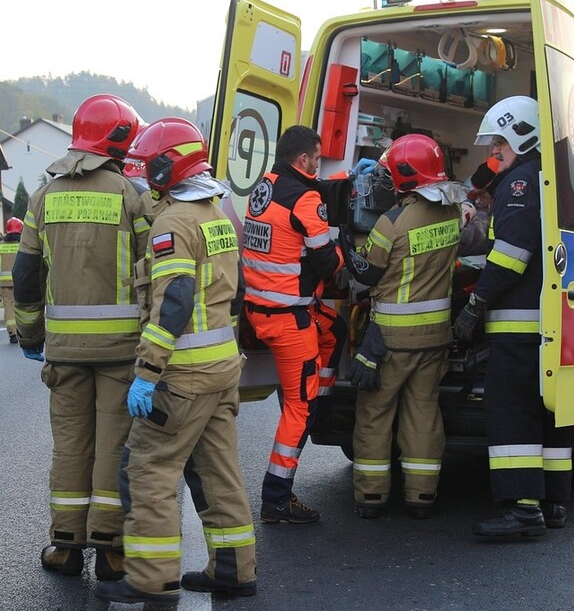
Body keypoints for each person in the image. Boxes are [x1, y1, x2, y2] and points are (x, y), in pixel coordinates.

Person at [95, 118, 256, 605]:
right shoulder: (217, 213)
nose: (145, 178)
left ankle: (152, 578)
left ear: (168, 166)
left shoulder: (172, 222)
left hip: (182, 374)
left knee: (147, 468)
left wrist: (147, 372)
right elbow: (238, 288)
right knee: (218, 470)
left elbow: (176, 302)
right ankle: (233, 568)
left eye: (149, 168)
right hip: (223, 367)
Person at [11, 94, 150, 579]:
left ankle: (67, 546)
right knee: (114, 446)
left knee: (70, 445)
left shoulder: (45, 197)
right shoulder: (132, 196)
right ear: (120, 140)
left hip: (65, 350)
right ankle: (111, 552)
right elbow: (154, 274)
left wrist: (29, 334)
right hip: (121, 350)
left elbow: (26, 276)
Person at [453, 95, 573, 537]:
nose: (492, 153)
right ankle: (554, 501)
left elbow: (512, 255)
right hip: (546, 321)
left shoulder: (520, 184)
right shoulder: (543, 175)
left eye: (499, 144)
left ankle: (523, 509)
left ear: (522, 137)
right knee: (548, 413)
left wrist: (475, 304)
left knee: (511, 411)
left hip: (518, 326)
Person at [341, 134, 463, 519]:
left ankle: (372, 496)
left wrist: (347, 243)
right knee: (423, 412)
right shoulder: (452, 214)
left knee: (375, 414)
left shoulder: (390, 224)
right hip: (435, 339)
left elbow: (365, 274)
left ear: (405, 177)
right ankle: (421, 496)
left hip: (390, 341)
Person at [242, 124, 343, 524]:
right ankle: (277, 498)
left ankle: (321, 401)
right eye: (317, 159)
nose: (318, 166)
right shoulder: (305, 198)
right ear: (302, 160)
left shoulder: (261, 188)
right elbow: (327, 262)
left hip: (262, 308)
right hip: (288, 318)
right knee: (297, 410)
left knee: (334, 329)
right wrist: (342, 254)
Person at [0, 217, 23, 343]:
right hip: (19, 281)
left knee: (8, 306)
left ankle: (12, 333)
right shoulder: (22, 245)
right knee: (20, 306)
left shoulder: (1, 246)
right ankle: (21, 331)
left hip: (4, 283)